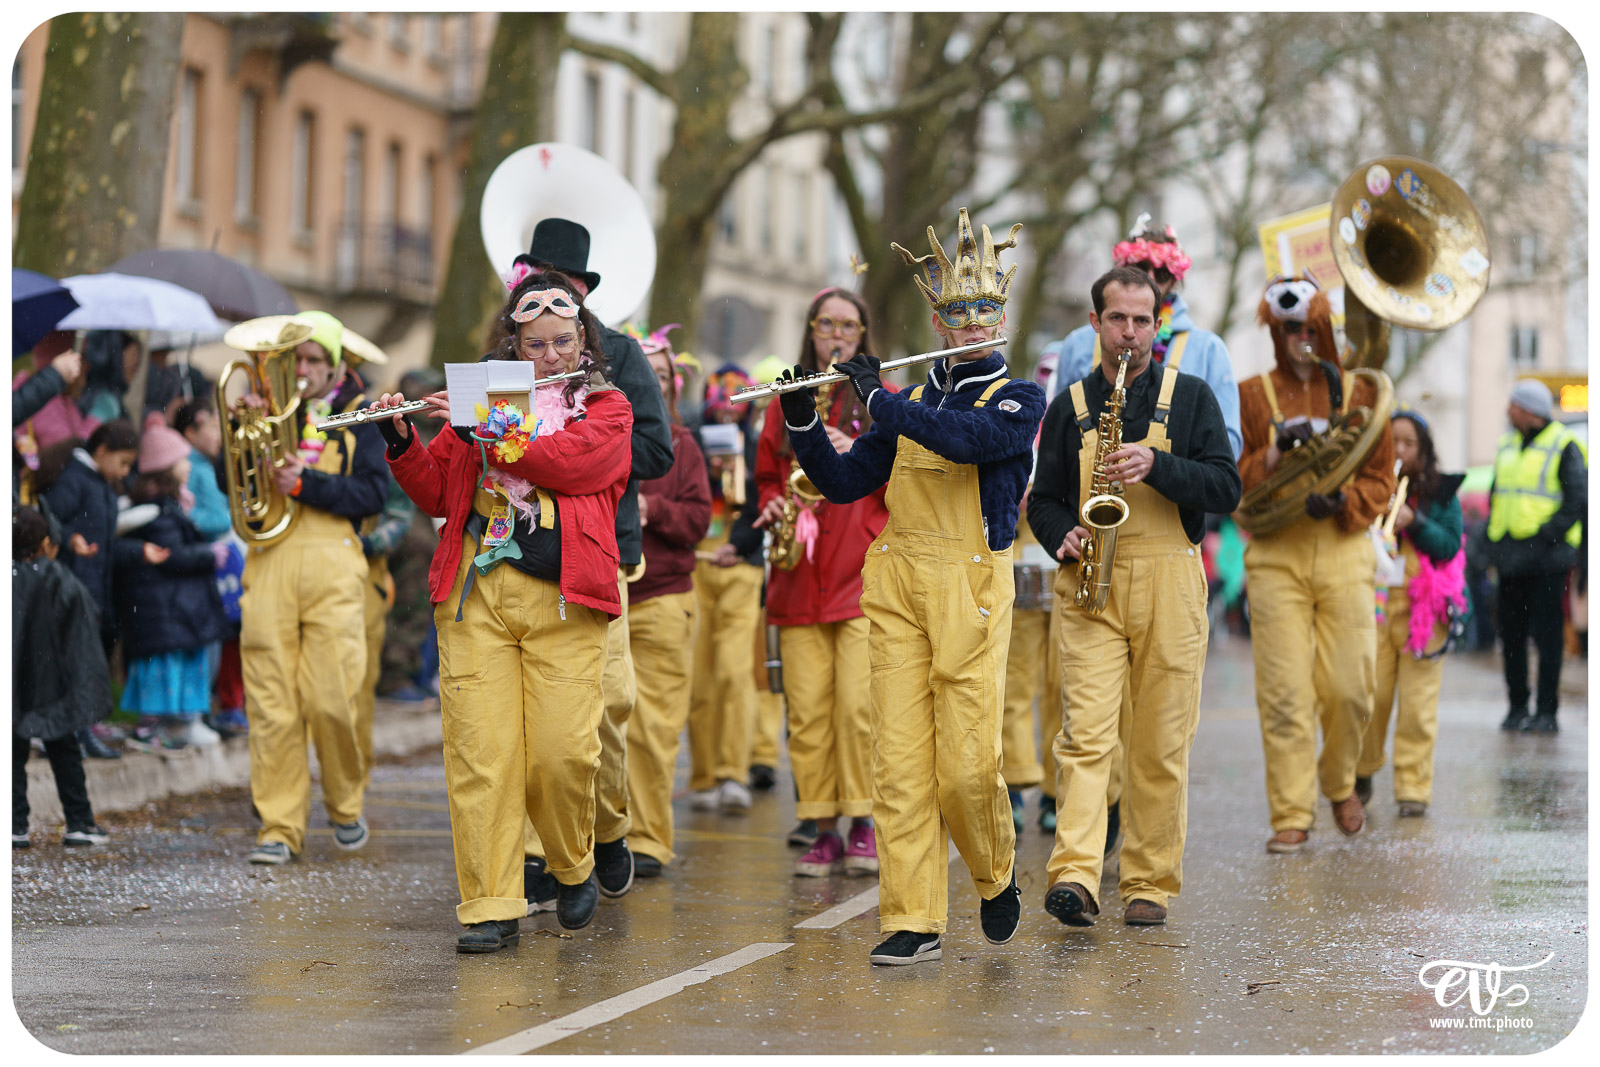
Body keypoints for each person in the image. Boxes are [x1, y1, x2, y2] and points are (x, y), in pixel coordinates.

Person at [777, 208, 1045, 965]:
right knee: (896, 762)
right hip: (897, 584)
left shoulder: (1017, 397)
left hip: (971, 587)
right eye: (957, 316)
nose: (970, 328)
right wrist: (803, 421)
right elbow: (846, 481)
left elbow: (972, 444)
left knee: (965, 766)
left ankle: (995, 873)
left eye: (984, 314)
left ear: (1000, 318)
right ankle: (913, 915)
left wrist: (882, 401)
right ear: (937, 319)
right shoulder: (908, 400)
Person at [372, 270, 633, 952]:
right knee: (480, 756)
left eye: (564, 341)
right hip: (475, 596)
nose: (551, 356)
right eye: (536, 343)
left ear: (584, 341)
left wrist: (488, 428)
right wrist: (401, 439)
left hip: (565, 598)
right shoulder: (478, 402)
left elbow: (571, 465)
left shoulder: (606, 407)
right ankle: (489, 902)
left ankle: (572, 862)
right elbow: (435, 489)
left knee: (561, 756)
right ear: (512, 347)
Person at [1028, 266, 1240, 928]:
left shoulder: (1194, 396)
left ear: (1160, 323)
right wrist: (1060, 533)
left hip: (1170, 580)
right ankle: (1075, 874)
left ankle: (1148, 879)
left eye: (1141, 320)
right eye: (1116, 319)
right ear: (1095, 324)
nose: (1129, 332)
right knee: (1084, 736)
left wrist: (1159, 464)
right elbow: (1043, 499)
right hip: (1092, 582)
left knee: (1159, 742)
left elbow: (1226, 488)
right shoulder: (1069, 405)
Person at [509, 219, 674, 905]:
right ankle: (535, 852)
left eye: (563, 284)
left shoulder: (622, 354)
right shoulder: (509, 357)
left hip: (601, 548)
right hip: (519, 554)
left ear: (581, 291)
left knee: (606, 704)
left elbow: (658, 452)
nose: (549, 293)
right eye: (537, 276)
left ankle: (609, 827)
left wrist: (584, 461)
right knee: (527, 718)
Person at [1237, 273, 1394, 853]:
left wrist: (1346, 501)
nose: (1300, 337)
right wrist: (1276, 452)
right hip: (1276, 552)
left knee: (1353, 688)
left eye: (1309, 327)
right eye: (1289, 329)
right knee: (1283, 692)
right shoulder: (1252, 393)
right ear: (1276, 331)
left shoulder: (1361, 392)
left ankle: (1339, 780)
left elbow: (1381, 477)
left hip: (1343, 544)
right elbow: (1235, 476)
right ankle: (1291, 811)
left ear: (1325, 325)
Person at [232, 310, 389, 866]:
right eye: (295, 358)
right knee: (272, 704)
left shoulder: (359, 417)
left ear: (335, 365)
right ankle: (279, 825)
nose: (303, 369)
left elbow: (372, 495)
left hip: (333, 564)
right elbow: (242, 489)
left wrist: (306, 482)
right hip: (270, 561)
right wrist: (240, 435)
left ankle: (345, 802)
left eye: (314, 359)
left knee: (332, 699)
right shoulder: (269, 411)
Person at [754, 286, 888, 878]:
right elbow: (764, 476)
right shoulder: (783, 400)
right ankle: (821, 824)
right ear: (809, 331)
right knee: (807, 711)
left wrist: (853, 449)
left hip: (857, 571)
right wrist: (769, 505)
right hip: (797, 574)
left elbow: (899, 480)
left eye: (849, 327)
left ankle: (864, 821)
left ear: (864, 335)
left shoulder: (879, 400)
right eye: (826, 325)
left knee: (857, 708)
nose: (837, 336)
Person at [624, 328, 712, 878]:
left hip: (662, 598)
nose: (651, 385)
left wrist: (651, 510)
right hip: (603, 597)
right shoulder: (602, 432)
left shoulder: (683, 446)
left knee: (652, 730)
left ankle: (649, 839)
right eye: (643, 376)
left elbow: (700, 521)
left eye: (660, 377)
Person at [1045, 216, 1241, 460]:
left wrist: (1164, 467)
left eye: (1160, 272)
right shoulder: (1077, 343)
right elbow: (1057, 430)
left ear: (1174, 278)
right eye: (1140, 267)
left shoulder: (1209, 349)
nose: (1150, 279)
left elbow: (1228, 445)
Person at [39, 418, 170, 759]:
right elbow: (45, 517)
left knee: (85, 661)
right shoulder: (75, 481)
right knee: (72, 663)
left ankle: (81, 731)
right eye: (123, 462)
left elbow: (105, 544)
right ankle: (72, 734)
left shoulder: (101, 485)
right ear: (101, 451)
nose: (126, 472)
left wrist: (138, 551)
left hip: (94, 587)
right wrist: (68, 539)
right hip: (71, 585)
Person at [1356, 410, 1465, 817]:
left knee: (1418, 705)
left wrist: (1414, 520)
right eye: (1393, 442)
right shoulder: (1370, 484)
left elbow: (1450, 545)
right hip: (1377, 605)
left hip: (1425, 612)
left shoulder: (1441, 492)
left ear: (1424, 450)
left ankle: (1413, 789)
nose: (1400, 450)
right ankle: (1363, 770)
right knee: (1372, 695)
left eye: (1409, 443)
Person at [116, 422, 230, 751]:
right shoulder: (160, 512)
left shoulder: (166, 505)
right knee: (163, 668)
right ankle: (156, 728)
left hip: (167, 606)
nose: (189, 464)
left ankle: (172, 724)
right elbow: (173, 555)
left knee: (167, 667)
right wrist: (207, 554)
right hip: (165, 607)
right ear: (167, 468)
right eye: (183, 459)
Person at [686, 366, 765, 816]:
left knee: (735, 673)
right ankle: (703, 776)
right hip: (698, 564)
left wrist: (740, 545)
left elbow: (765, 500)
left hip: (740, 566)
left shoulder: (756, 447)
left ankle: (734, 773)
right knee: (700, 675)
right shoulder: (692, 444)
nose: (728, 414)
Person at [1487, 378, 1586, 733]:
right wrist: (1491, 546)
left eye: (1512, 405)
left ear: (1527, 410)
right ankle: (1516, 708)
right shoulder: (1507, 446)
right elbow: (1497, 497)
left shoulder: (1565, 444)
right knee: (1511, 636)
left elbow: (1577, 501)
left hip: (1547, 559)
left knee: (1548, 639)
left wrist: (1545, 537)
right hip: (1512, 558)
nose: (1507, 411)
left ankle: (1546, 712)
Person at [12, 506, 113, 848]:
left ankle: (13, 824)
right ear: (43, 543)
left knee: (11, 753)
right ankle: (80, 822)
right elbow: (82, 624)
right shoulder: (56, 577)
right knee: (64, 748)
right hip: (52, 686)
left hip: (11, 687)